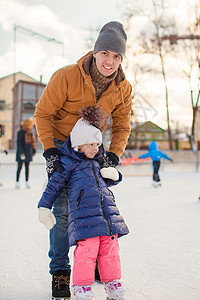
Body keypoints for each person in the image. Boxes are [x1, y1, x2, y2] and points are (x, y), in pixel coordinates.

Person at [34, 21, 132, 298]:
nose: (110, 61)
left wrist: (111, 157)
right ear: (95, 51)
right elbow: (42, 114)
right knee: (63, 211)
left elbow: (123, 126)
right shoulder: (67, 76)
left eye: (117, 56)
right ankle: (61, 272)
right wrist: (50, 152)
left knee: (98, 208)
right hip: (62, 151)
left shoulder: (123, 88)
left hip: (92, 153)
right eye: (105, 53)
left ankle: (98, 263)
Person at [38, 106, 129, 300]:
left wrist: (115, 175)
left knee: (110, 249)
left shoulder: (98, 161)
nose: (95, 149)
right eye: (90, 145)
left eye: (97, 144)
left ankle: (112, 281)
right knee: (86, 252)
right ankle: (81, 286)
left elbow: (108, 180)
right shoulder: (67, 164)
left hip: (107, 216)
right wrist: (44, 207)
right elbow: (53, 187)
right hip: (84, 218)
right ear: (78, 145)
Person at [15, 118, 36, 189]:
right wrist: (21, 153)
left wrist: (33, 150)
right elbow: (19, 144)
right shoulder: (20, 132)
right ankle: (17, 182)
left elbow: (32, 142)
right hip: (21, 153)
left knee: (27, 167)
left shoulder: (29, 132)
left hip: (28, 152)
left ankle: (27, 181)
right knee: (19, 167)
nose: (31, 126)